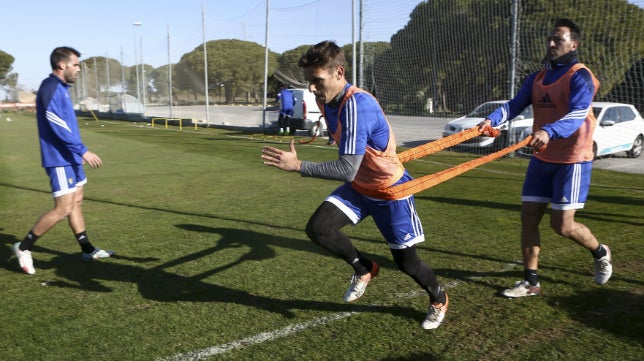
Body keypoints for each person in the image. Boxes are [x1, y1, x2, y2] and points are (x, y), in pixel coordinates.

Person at [261, 41, 448, 329]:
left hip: (389, 190)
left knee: (407, 264)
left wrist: (298, 166)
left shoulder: (358, 104)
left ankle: (438, 298)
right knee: (318, 228)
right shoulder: (327, 100)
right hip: (361, 187)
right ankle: (365, 268)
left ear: (339, 72)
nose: (311, 89)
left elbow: (346, 169)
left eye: (316, 81)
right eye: (309, 81)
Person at [481, 18, 612, 297]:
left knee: (562, 226)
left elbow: (577, 114)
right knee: (529, 217)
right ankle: (530, 282)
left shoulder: (580, 75)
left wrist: (549, 131)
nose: (551, 44)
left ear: (573, 45)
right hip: (542, 158)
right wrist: (491, 121)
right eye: (550, 39)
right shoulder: (538, 77)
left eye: (558, 40)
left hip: (573, 158)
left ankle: (600, 252)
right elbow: (515, 104)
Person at [12, 46, 113, 275]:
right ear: (61, 65)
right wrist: (83, 151)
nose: (78, 69)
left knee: (76, 201)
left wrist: (78, 153)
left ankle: (87, 249)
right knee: (63, 207)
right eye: (75, 64)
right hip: (59, 159)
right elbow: (56, 124)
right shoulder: (51, 87)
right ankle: (24, 246)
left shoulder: (61, 88)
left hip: (71, 157)